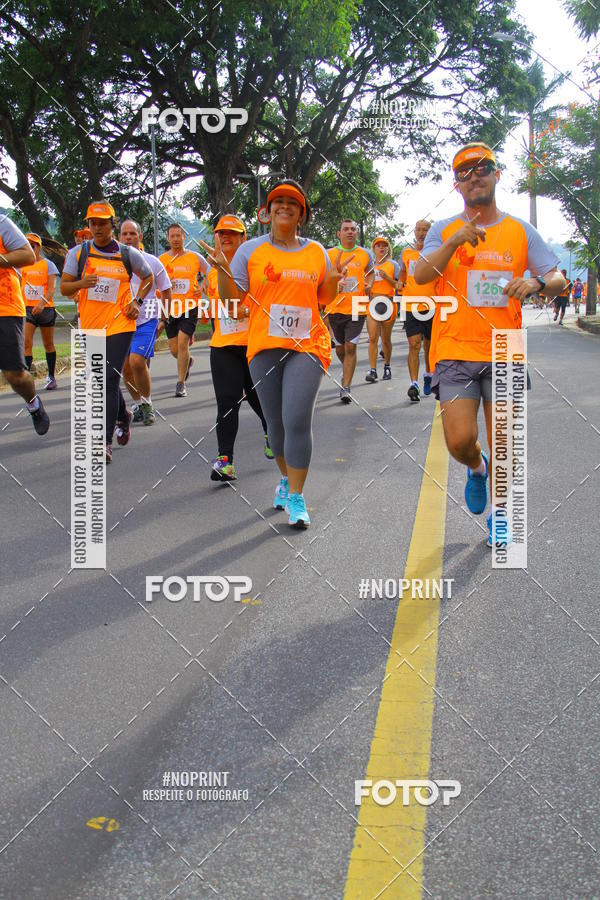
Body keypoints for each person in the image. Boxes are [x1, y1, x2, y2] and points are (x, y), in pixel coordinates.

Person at [414, 142, 565, 547]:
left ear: (498, 175)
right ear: (457, 184)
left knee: (505, 441)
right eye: (465, 172)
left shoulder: (519, 230)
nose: (475, 175)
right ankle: (476, 467)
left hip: (505, 348)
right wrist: (452, 242)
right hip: (455, 349)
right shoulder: (445, 229)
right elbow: (421, 273)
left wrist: (534, 282)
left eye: (483, 168)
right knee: (459, 440)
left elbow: (557, 278)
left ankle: (501, 515)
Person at [202, 179, 350, 528]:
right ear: (266, 214)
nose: (284, 206)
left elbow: (324, 298)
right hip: (264, 347)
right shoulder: (249, 251)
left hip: (308, 345)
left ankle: (297, 497)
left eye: (292, 203)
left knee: (297, 418)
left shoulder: (317, 252)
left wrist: (335, 275)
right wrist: (222, 269)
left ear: (302, 214)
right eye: (277, 202)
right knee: (278, 426)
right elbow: (231, 303)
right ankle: (285, 479)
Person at [60, 201, 153, 463]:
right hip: (91, 325)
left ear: (113, 224)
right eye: (93, 223)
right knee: (101, 381)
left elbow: (148, 278)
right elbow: (66, 288)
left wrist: (137, 302)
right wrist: (81, 282)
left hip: (120, 324)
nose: (97, 227)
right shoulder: (78, 254)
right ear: (88, 226)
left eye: (103, 223)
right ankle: (124, 415)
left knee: (108, 381)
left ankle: (104, 442)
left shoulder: (127, 253)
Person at [199, 214, 273, 482]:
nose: (225, 237)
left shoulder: (254, 266)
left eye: (232, 233)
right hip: (223, 345)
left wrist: (246, 311)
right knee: (227, 401)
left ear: (244, 238)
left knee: (260, 398)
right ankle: (225, 460)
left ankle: (271, 431)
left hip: (255, 345)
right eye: (221, 233)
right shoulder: (211, 270)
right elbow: (215, 307)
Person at [119, 219, 171, 426]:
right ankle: (138, 403)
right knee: (125, 368)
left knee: (137, 361)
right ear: (119, 237)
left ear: (140, 237)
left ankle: (148, 404)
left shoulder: (152, 262)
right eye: (125, 234)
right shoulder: (114, 262)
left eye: (133, 233)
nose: (129, 237)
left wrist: (164, 318)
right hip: (121, 324)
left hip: (146, 320)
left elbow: (166, 290)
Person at [0, 215, 50, 434]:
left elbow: (27, 255)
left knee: (15, 376)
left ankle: (33, 403)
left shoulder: (2, 223)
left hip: (5, 307)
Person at [324, 219, 375, 403]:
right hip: (335, 307)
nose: (350, 232)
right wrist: (335, 284)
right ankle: (346, 370)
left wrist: (369, 285)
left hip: (357, 307)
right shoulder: (329, 254)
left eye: (353, 229)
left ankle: (346, 387)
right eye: (346, 229)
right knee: (340, 349)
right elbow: (323, 278)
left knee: (351, 346)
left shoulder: (365, 254)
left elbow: (371, 272)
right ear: (339, 233)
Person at [159, 223, 210, 398]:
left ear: (184, 237)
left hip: (190, 306)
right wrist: (163, 290)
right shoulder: (162, 260)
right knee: (174, 349)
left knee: (182, 342)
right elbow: (154, 284)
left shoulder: (195, 257)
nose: (175, 239)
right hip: (170, 308)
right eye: (172, 236)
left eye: (178, 235)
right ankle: (187, 361)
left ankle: (180, 383)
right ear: (168, 238)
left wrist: (202, 288)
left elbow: (210, 272)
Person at [400, 220, 439, 401]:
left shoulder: (435, 252)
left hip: (432, 304)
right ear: (414, 232)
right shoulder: (406, 253)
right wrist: (401, 284)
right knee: (414, 344)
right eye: (419, 230)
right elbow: (402, 274)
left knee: (429, 346)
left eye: (425, 230)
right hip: (411, 305)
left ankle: (429, 375)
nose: (422, 233)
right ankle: (413, 383)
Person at [20, 233, 60, 389]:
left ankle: (51, 376)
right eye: (27, 245)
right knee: (26, 343)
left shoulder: (48, 265)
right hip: (28, 309)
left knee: (48, 344)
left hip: (45, 309)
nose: (30, 248)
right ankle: (26, 378)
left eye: (33, 245)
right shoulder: (21, 265)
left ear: (39, 247)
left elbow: (52, 289)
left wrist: (42, 303)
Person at [365, 237, 401, 382]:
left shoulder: (393, 265)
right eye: (378, 246)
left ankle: (387, 366)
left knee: (385, 339)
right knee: (373, 337)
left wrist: (387, 278)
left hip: (388, 302)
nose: (381, 248)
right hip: (373, 302)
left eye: (384, 246)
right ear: (373, 249)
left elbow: (398, 286)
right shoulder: (370, 266)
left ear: (388, 249)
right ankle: (373, 370)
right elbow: (365, 283)